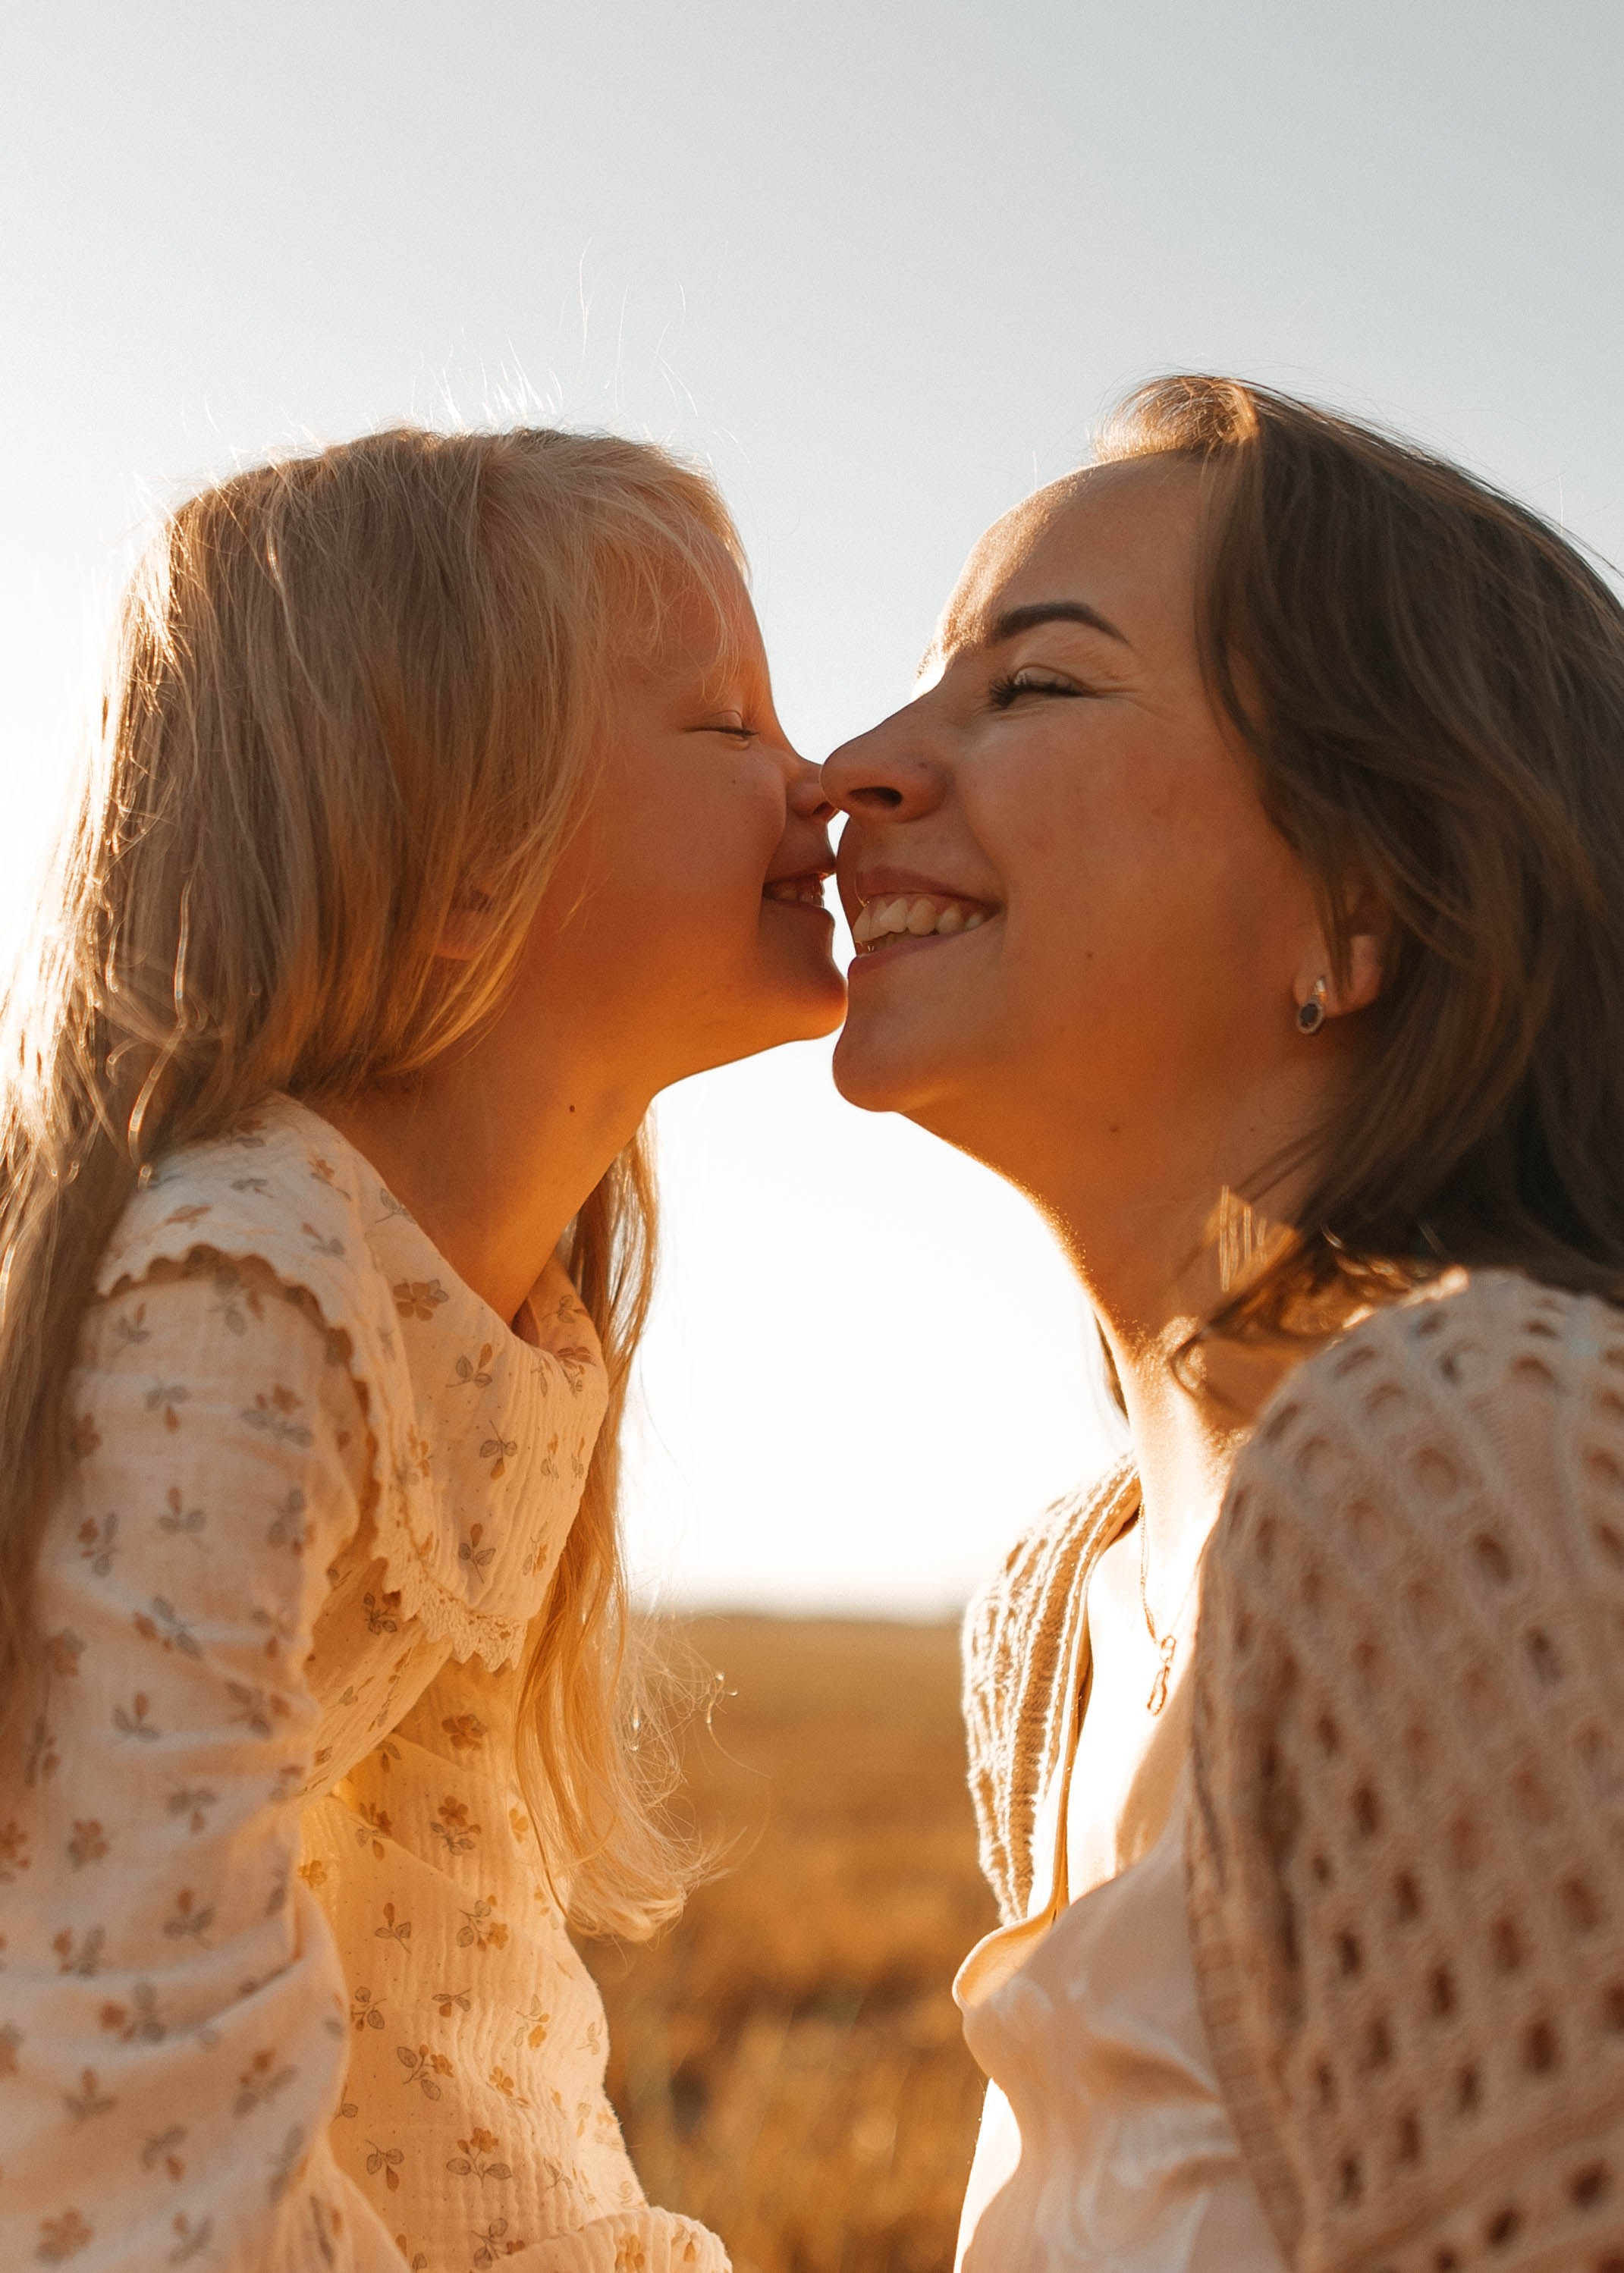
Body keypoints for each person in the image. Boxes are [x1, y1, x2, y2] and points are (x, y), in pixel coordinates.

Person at [0, 425, 841, 2271]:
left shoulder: (487, 1313)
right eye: (729, 730)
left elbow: (454, 1990)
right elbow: (137, 2076)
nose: (825, 779)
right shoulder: (238, 1294)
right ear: (464, 857)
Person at [823, 375, 1624, 2271]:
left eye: (1034, 684)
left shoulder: (1478, 1457)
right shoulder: (1063, 1602)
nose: (855, 763)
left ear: (1363, 897)